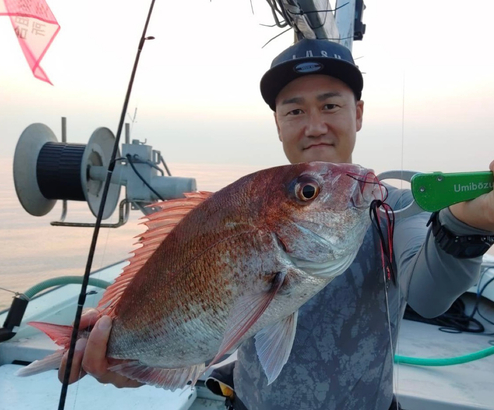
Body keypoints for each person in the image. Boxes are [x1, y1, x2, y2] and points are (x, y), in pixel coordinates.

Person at [58, 39, 494, 409]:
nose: (315, 126)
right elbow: (199, 324)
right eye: (295, 111)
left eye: (330, 105)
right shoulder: (243, 205)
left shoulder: (394, 205)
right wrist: (125, 354)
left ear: (358, 113)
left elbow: (429, 296)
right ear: (278, 123)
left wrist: (463, 226)